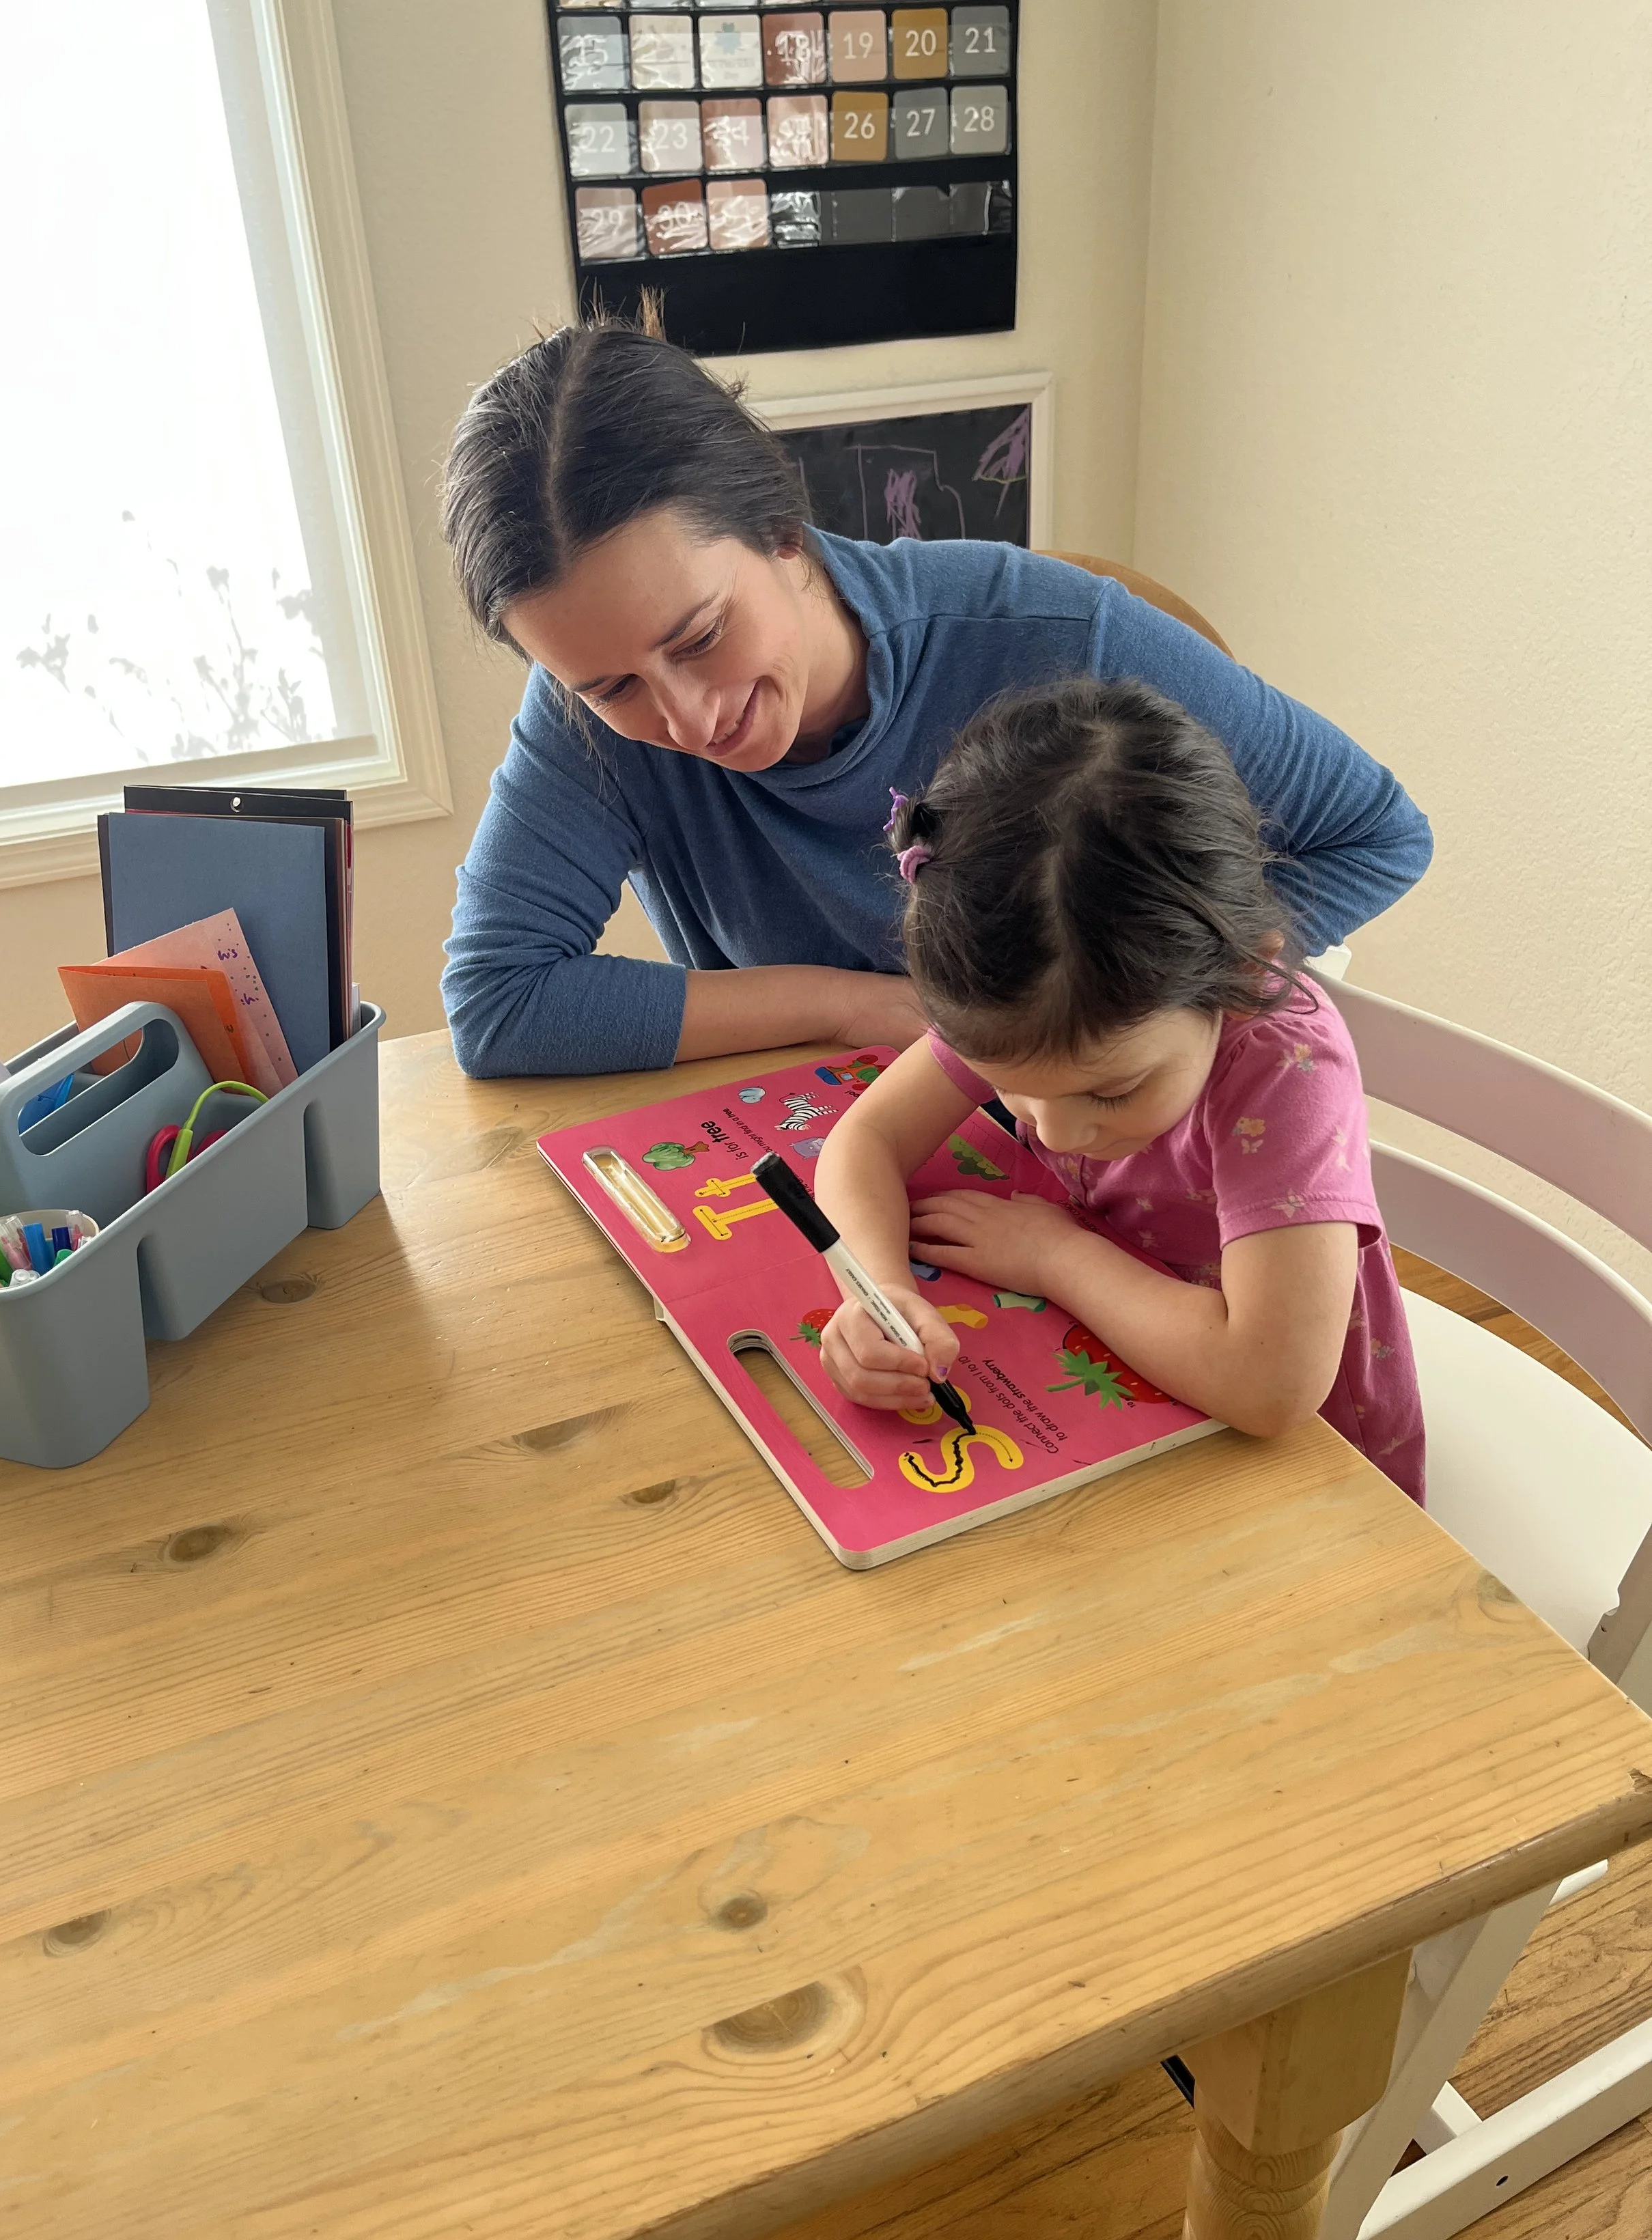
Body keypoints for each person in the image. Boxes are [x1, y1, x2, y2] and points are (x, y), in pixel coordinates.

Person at [440, 312, 1431, 1080]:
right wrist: (854, 1004)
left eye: (701, 637)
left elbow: (1375, 837)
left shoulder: (1060, 636)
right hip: (830, 1147)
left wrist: (1135, 994)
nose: (687, 720)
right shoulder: (585, 719)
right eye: (612, 686)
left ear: (782, 529)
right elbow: (497, 1000)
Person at [812, 677, 1425, 1502]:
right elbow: (866, 1142)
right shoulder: (1026, 990)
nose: (1056, 1135)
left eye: (1108, 1094)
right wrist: (877, 1289)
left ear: (1240, 974)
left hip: (1302, 1475)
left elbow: (1269, 1388)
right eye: (1011, 1091)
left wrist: (1053, 1255)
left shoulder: (1285, 1069)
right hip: (1112, 1390)